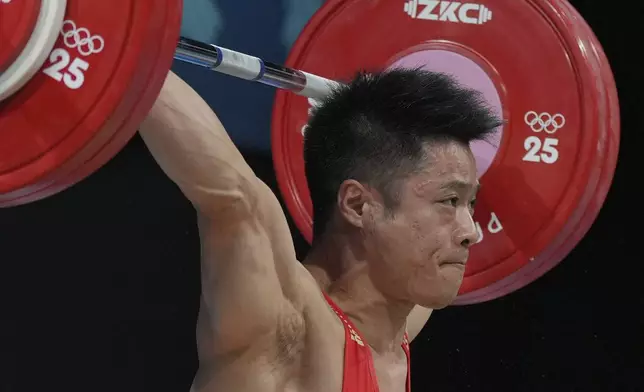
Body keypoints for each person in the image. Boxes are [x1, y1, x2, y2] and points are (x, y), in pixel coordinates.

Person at [139, 68, 502, 392]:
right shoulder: (287, 326)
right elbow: (235, 198)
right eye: (448, 201)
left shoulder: (397, 319)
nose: (471, 231)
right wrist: (125, 50)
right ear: (359, 206)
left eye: (470, 204)